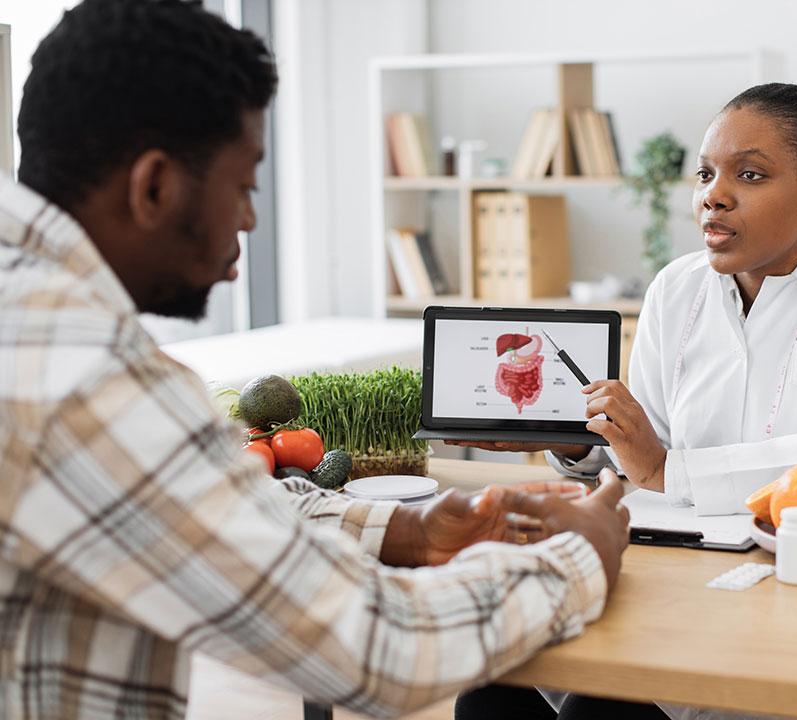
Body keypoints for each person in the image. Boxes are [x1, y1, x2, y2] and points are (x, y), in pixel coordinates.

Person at [0, 2, 630, 719]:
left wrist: (410, 532)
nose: (248, 224)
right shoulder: (82, 373)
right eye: (243, 189)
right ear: (153, 186)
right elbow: (377, 649)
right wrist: (577, 558)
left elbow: (214, 505)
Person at [453, 83, 797, 719]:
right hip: (664, 579)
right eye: (705, 173)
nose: (713, 195)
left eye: (749, 175)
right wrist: (578, 443)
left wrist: (666, 469)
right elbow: (638, 454)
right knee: (489, 693)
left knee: (602, 708)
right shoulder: (676, 287)